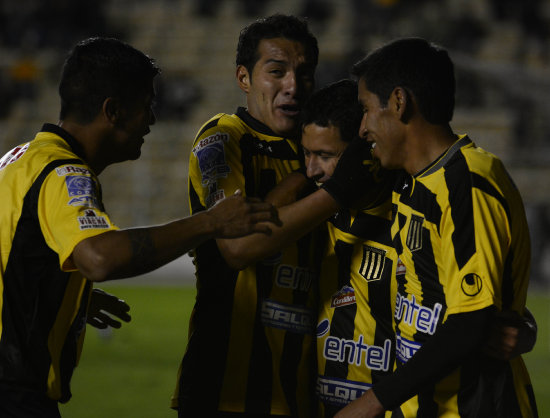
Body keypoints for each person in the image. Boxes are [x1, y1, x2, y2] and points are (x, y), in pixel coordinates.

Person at [0, 36, 280, 418]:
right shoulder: (64, 174)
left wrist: (64, 294)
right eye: (146, 106)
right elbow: (100, 258)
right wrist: (210, 222)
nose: (151, 120)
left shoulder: (17, 160)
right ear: (112, 110)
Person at [334, 37, 538, 417]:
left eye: (366, 110)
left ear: (399, 101)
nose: (362, 128)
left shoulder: (469, 180)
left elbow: (470, 322)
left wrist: (369, 404)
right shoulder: (409, 180)